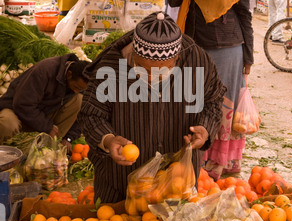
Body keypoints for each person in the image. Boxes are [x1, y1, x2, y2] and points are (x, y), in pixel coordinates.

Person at [78, 11, 226, 203]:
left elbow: (214, 100)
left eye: (162, 71)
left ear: (177, 59)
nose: (150, 77)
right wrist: (108, 140)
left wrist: (205, 128)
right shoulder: (111, 66)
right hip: (120, 182)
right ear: (133, 54)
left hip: (177, 182)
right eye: (142, 68)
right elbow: (91, 115)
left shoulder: (197, 62)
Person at [167, 0, 254, 181]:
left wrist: (248, 56)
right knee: (193, 103)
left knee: (223, 105)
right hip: (192, 48)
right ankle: (195, 158)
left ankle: (219, 164)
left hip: (227, 49)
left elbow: (244, 14)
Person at [0, 55, 89, 146]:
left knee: (79, 100)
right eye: (76, 87)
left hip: (43, 113)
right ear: (69, 74)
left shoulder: (84, 82)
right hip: (16, 109)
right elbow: (22, 104)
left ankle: (48, 147)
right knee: (7, 123)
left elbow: (81, 116)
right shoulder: (46, 70)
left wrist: (68, 138)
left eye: (80, 89)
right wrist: (46, 126)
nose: (76, 91)